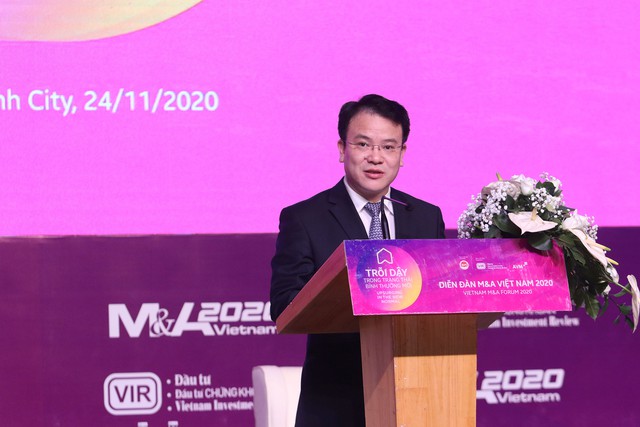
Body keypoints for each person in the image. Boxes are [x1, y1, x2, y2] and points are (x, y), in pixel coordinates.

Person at [270, 94, 445, 427]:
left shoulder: (426, 217)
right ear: (342, 149)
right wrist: (362, 294)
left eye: (388, 147)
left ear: (402, 154)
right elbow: (283, 305)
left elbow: (439, 298)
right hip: (337, 401)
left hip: (418, 395)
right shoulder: (305, 218)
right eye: (363, 144)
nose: (375, 157)